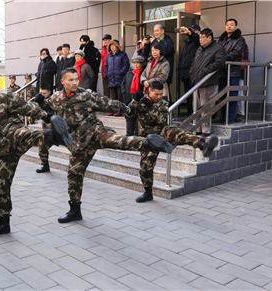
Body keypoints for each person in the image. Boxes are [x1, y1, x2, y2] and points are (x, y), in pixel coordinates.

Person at [34, 68, 174, 223]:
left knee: (118, 141)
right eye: (70, 80)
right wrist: (41, 103)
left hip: (95, 132)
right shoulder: (56, 97)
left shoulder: (86, 95)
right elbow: (49, 109)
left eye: (76, 79)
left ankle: (149, 143)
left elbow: (108, 103)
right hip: (79, 143)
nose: (74, 83)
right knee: (74, 175)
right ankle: (75, 210)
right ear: (62, 82)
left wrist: (128, 109)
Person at [0, 69, 72, 238]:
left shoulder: (4, 95)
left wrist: (48, 117)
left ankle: (53, 136)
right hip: (1, 149)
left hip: (14, 133)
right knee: (1, 187)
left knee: (23, 134)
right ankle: (3, 223)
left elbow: (27, 108)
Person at [127, 81, 218, 202]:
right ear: (150, 91)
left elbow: (161, 119)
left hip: (161, 132)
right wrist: (135, 101)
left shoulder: (163, 103)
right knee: (145, 168)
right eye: (156, 94)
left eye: (161, 93)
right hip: (147, 139)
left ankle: (203, 145)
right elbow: (129, 113)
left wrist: (150, 108)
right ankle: (148, 193)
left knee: (178, 133)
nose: (159, 96)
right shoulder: (142, 101)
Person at [189, 28, 227, 136]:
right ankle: (198, 129)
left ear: (210, 38)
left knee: (206, 107)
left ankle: (205, 131)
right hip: (196, 81)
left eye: (203, 37)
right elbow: (194, 62)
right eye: (200, 37)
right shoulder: (199, 49)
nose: (200, 40)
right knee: (196, 107)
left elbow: (219, 62)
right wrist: (192, 73)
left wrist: (205, 71)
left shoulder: (218, 48)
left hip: (208, 81)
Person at [218, 18, 246, 123]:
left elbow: (235, 53)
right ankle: (222, 117)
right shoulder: (222, 39)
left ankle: (229, 118)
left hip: (233, 72)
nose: (229, 26)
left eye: (231, 24)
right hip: (222, 71)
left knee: (233, 95)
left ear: (236, 27)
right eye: (227, 24)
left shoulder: (240, 39)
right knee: (222, 95)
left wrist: (221, 58)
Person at [177, 24, 201, 116]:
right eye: (191, 30)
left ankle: (195, 115)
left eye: (194, 31)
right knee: (188, 95)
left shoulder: (198, 41)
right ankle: (189, 114)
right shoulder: (187, 44)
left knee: (195, 96)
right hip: (185, 72)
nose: (192, 32)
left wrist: (190, 33)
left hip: (194, 73)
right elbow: (183, 58)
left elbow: (196, 38)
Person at [121, 55, 146, 136]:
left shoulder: (143, 74)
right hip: (128, 99)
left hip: (139, 100)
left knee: (137, 119)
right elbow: (123, 83)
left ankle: (136, 136)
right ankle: (128, 135)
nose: (135, 65)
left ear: (141, 64)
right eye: (134, 63)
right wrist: (124, 93)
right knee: (129, 117)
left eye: (137, 63)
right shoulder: (129, 73)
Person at [104, 40, 130, 114]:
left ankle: (119, 110)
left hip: (120, 78)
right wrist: (106, 73)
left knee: (120, 95)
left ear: (117, 46)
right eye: (111, 46)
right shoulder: (108, 57)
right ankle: (113, 110)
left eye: (114, 45)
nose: (112, 47)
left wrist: (121, 72)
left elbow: (126, 65)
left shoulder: (123, 54)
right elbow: (106, 66)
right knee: (113, 96)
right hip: (111, 78)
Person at [35, 84, 53, 173]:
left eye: (44, 93)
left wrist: (42, 102)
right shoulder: (41, 101)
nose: (42, 95)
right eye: (40, 93)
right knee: (42, 146)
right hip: (48, 131)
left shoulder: (54, 100)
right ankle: (45, 166)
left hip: (61, 130)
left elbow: (48, 105)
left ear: (49, 92)